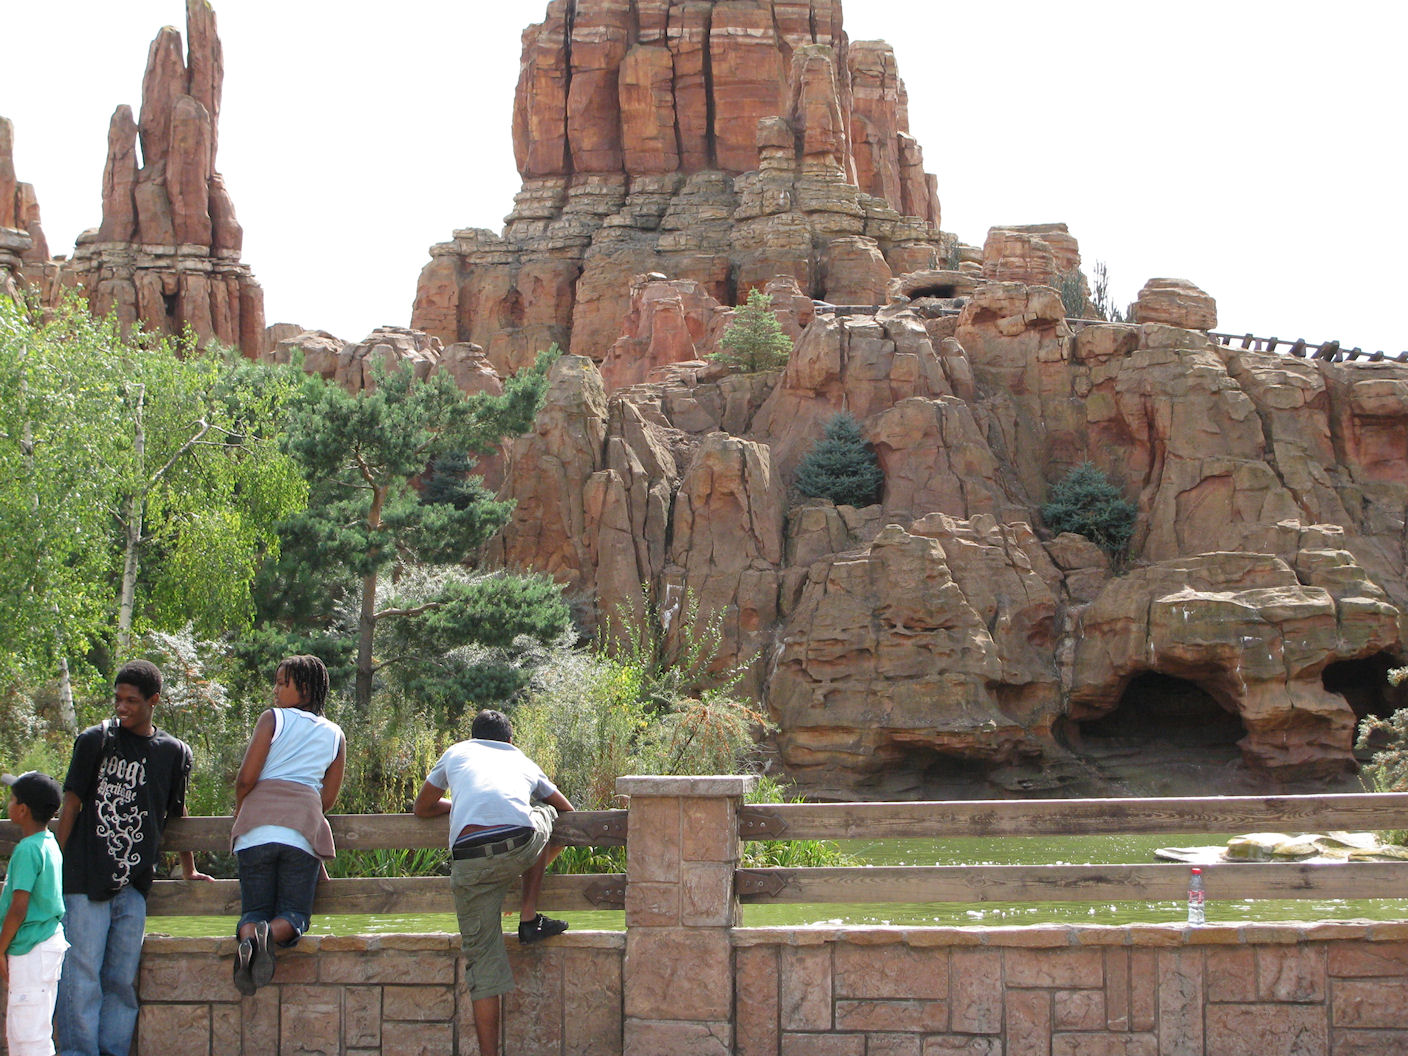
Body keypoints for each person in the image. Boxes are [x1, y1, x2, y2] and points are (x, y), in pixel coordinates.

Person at [54, 659, 212, 1056]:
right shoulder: (95, 740)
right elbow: (70, 804)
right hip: (85, 878)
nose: (122, 707)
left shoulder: (173, 752)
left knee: (121, 981)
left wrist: (189, 868)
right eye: (118, 699)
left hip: (135, 883)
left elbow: (177, 813)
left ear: (154, 700)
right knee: (81, 975)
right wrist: (55, 865)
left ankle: (113, 1050)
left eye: (132, 701)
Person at [414, 709, 573, 1056]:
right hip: (520, 845)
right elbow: (566, 809)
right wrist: (529, 863)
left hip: (469, 860)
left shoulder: (456, 752)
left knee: (483, 965)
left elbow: (422, 807)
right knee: (545, 814)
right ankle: (528, 915)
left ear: (472, 737)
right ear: (510, 740)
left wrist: (460, 805)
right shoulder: (522, 760)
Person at [229, 655, 345, 995]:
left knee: (253, 910)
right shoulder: (335, 734)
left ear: (304, 688)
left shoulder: (272, 719)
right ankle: (266, 935)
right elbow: (327, 799)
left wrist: (241, 811)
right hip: (301, 833)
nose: (276, 690)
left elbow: (245, 779)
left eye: (282, 683)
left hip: (256, 831)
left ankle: (250, 938)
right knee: (294, 914)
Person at [1, 771, 67, 1056]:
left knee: (28, 1037)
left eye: (12, 798)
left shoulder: (28, 850)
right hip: (43, 945)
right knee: (28, 1031)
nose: (9, 803)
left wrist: (0, 948)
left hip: (31, 948)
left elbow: (19, 908)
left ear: (22, 810)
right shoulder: (49, 843)